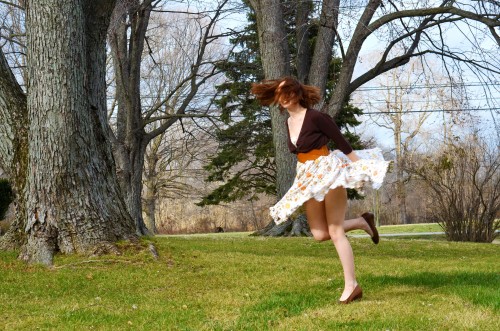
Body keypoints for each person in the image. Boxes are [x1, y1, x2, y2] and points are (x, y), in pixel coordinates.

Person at [251, 77, 390, 304]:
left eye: (288, 92)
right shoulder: (287, 123)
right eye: (279, 93)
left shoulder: (316, 117)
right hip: (307, 177)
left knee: (335, 231)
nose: (284, 97)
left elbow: (342, 143)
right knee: (319, 234)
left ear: (297, 94)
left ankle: (351, 285)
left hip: (329, 172)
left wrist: (361, 167)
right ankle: (362, 222)